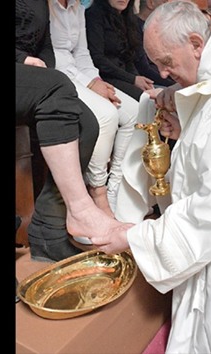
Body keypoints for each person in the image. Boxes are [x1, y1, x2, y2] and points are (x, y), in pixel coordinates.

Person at [87, 1, 211, 353]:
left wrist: (134, 237)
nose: (163, 74)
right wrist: (185, 111)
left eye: (166, 62)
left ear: (196, 43)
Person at [16, 0, 122, 261]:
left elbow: (46, 44)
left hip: (30, 72)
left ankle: (48, 231)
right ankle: (82, 209)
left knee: (87, 123)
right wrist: (22, 59)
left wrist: (43, 66)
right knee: (57, 87)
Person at [48, 0, 139, 219]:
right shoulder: (46, 7)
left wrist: (96, 80)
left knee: (134, 111)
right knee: (107, 115)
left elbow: (82, 53)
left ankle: (116, 189)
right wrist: (90, 84)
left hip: (82, 74)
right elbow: (51, 55)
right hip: (58, 76)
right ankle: (97, 191)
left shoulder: (77, 7)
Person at [85, 0, 155, 101]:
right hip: (104, 76)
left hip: (124, 75)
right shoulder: (94, 15)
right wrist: (133, 79)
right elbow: (97, 58)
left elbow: (128, 57)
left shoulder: (127, 18)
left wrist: (137, 78)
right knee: (147, 100)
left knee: (152, 94)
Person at [133, 0, 176, 87]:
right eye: (164, 3)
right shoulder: (134, 28)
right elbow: (144, 68)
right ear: (150, 3)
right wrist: (175, 85)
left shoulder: (162, 29)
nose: (167, 8)